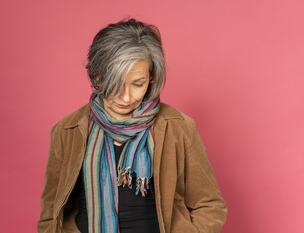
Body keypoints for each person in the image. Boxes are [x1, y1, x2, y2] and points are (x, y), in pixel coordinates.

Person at [37, 18, 228, 233]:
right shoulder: (67, 130)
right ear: (97, 76)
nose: (126, 97)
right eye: (116, 84)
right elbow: (50, 214)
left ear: (151, 78)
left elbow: (210, 204)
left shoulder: (178, 127)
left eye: (138, 84)